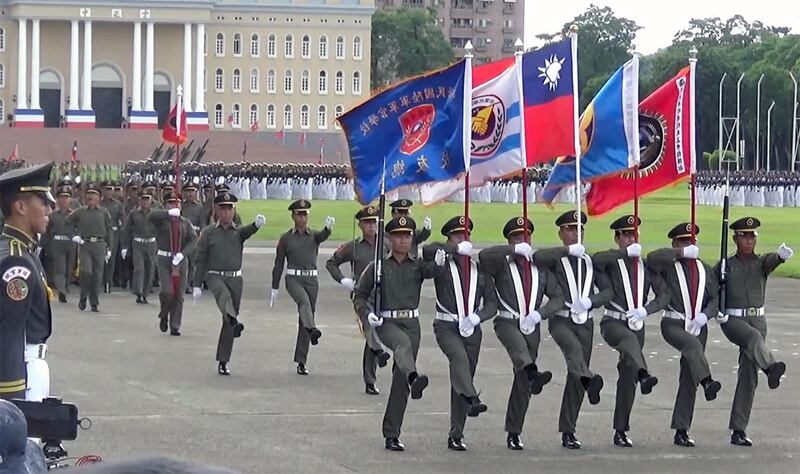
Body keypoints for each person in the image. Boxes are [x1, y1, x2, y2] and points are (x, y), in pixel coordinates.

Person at [478, 216, 564, 451]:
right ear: (509, 241)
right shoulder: (502, 264)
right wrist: (512, 249)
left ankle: (514, 431)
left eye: (525, 236)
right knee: (521, 356)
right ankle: (533, 372)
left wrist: (541, 314)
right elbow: (484, 256)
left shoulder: (540, 267)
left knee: (522, 380)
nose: (522, 240)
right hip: (507, 322)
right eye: (517, 237)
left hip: (531, 325)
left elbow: (557, 297)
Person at [354, 216, 438, 451]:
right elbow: (360, 295)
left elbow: (437, 266)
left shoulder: (418, 266)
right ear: (389, 239)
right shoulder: (378, 267)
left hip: (412, 324)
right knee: (402, 346)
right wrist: (367, 314)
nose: (403, 240)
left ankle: (392, 433)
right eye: (399, 236)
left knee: (400, 383)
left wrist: (444, 257)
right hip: (388, 323)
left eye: (408, 235)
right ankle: (415, 378)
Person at [532, 210, 609, 449]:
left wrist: (591, 302)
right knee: (574, 353)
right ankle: (589, 379)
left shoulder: (589, 261)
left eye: (579, 229)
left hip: (584, 321)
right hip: (561, 320)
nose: (576, 233)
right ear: (561, 233)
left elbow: (608, 291)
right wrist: (567, 251)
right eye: (570, 229)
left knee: (575, 376)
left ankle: (568, 430)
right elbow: (537, 257)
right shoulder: (556, 259)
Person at [714, 216, 792, 446]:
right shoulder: (725, 265)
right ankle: (770, 368)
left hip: (757, 319)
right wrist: (716, 309)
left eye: (752, 236)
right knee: (754, 339)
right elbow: (712, 289)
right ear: (735, 238)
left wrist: (780, 256)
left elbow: (771, 260)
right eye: (744, 236)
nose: (749, 240)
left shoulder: (761, 263)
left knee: (748, 373)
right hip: (733, 320)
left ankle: (738, 429)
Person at [422, 216, 497, 451]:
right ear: (449, 238)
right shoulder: (443, 263)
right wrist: (454, 249)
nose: (463, 239)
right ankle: (473, 398)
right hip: (446, 326)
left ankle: (457, 432)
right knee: (459, 360)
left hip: (471, 329)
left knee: (462, 377)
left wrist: (478, 317)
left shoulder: (479, 269)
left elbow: (492, 304)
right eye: (457, 235)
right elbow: (426, 250)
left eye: (466, 236)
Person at [593, 215, 669, 447]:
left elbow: (664, 295)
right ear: (617, 238)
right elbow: (596, 260)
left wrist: (647, 310)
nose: (630, 238)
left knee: (628, 376)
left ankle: (621, 429)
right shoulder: (612, 261)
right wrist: (625, 253)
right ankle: (644, 374)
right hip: (614, 323)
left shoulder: (645, 266)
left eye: (633, 234)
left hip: (637, 324)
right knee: (629, 344)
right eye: (625, 235)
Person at [647, 222, 722, 447]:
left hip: (698, 325)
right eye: (682, 241)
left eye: (690, 241)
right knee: (692, 347)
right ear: (674, 243)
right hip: (673, 323)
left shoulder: (704, 269)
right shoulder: (668, 266)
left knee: (690, 375)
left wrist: (705, 316)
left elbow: (715, 298)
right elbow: (651, 257)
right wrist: (679, 254)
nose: (687, 244)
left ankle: (681, 429)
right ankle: (708, 381)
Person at [193, 191, 264, 375]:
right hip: (216, 277)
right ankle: (233, 319)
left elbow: (247, 231)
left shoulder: (238, 231)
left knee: (227, 323)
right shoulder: (208, 233)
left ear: (234, 211)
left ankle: (223, 360)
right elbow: (200, 260)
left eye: (230, 209)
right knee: (225, 301)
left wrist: (256, 225)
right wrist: (196, 285)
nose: (226, 213)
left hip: (236, 279)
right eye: (223, 209)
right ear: (217, 211)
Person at [0, 162, 54, 402]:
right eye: (43, 201)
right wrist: (12, 392)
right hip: (21, 371)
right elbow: (8, 332)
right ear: (20, 206)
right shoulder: (16, 262)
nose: (49, 209)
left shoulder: (23, 250)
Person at [325, 205, 390, 394]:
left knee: (376, 334)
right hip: (362, 297)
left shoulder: (385, 244)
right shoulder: (353, 246)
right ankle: (377, 358)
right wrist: (343, 279)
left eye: (374, 222)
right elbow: (331, 263)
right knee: (370, 328)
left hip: (382, 295)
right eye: (367, 223)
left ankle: (374, 371)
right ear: (360, 225)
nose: (371, 226)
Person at [270, 199, 333, 375]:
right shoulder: (286, 238)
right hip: (293, 279)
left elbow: (323, 236)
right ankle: (313, 329)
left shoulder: (313, 235)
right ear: (293, 216)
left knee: (305, 319)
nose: (303, 217)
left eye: (305, 214)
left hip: (311, 281)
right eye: (299, 214)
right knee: (304, 304)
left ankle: (301, 360)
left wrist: (328, 229)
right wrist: (275, 286)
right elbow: (279, 263)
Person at [149, 191, 198, 336]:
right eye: (170, 203)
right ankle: (164, 314)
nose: (174, 205)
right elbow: (151, 216)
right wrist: (167, 213)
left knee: (179, 295)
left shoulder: (185, 222)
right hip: (164, 259)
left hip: (180, 261)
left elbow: (193, 240)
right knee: (167, 292)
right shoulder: (161, 220)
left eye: (176, 203)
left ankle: (175, 325)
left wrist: (183, 254)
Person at [65, 183, 113, 312]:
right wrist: (73, 236)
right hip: (85, 245)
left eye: (94, 194)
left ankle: (94, 303)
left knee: (97, 276)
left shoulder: (104, 212)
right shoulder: (81, 211)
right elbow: (66, 222)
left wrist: (109, 248)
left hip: (100, 245)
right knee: (87, 272)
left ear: (99, 198)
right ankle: (83, 297)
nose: (90, 196)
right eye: (89, 194)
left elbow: (109, 230)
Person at [43, 186, 77, 303]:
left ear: (70, 200)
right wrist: (44, 246)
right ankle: (61, 291)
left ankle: (66, 287)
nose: (64, 200)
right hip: (57, 243)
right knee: (60, 268)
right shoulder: (52, 215)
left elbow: (79, 228)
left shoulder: (74, 215)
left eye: (66, 197)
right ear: (57, 200)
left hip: (71, 243)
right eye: (61, 197)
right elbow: (46, 232)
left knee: (69, 268)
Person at [122, 192, 157, 304]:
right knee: (139, 269)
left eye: (147, 199)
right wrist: (124, 246)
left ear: (151, 200)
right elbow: (126, 230)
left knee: (150, 269)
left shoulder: (156, 214)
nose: (145, 202)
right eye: (143, 199)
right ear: (139, 201)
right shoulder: (133, 213)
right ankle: (138, 293)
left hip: (151, 243)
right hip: (138, 244)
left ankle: (145, 293)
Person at [180, 181, 208, 294]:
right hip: (183, 235)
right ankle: (184, 284)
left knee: (192, 263)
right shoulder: (181, 206)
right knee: (183, 261)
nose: (190, 194)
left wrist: (202, 233)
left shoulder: (199, 207)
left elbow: (202, 223)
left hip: (194, 236)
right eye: (188, 191)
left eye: (192, 191)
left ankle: (189, 283)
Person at [101, 180, 124, 292]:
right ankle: (101, 280)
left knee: (112, 258)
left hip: (114, 233)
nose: (109, 192)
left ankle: (109, 281)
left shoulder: (118, 204)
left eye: (111, 189)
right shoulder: (99, 204)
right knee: (101, 257)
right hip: (101, 233)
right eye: (107, 189)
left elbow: (123, 219)